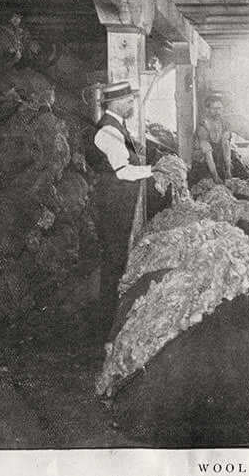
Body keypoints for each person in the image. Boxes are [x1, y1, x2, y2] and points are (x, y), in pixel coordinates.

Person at [91, 81, 163, 329]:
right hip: (112, 203)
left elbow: (127, 154)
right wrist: (155, 170)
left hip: (118, 202)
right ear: (115, 103)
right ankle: (108, 322)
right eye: (128, 100)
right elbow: (123, 172)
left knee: (118, 257)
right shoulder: (107, 131)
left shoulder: (117, 127)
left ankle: (111, 317)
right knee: (114, 259)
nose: (131, 104)